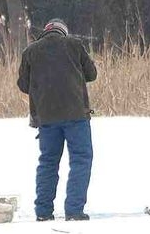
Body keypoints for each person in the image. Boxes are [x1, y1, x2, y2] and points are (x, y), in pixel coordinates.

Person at [17, 19, 98, 222]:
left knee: (48, 163)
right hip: (76, 116)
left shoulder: (30, 51)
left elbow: (23, 85)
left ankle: (43, 212)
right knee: (80, 159)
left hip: (46, 118)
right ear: (63, 31)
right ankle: (74, 210)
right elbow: (91, 74)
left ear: (45, 31)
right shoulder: (74, 44)